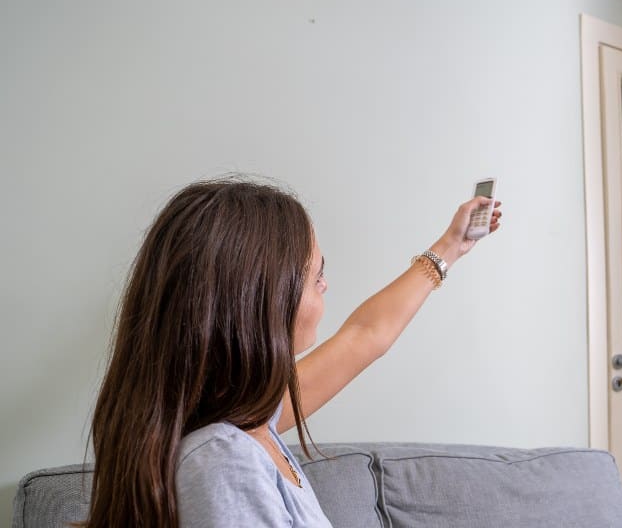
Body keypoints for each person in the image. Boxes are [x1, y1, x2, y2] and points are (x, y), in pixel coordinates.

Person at [82, 177, 502, 527]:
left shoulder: (247, 420)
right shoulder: (223, 462)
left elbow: (364, 335)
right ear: (260, 304)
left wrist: (450, 246)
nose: (326, 286)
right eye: (316, 276)